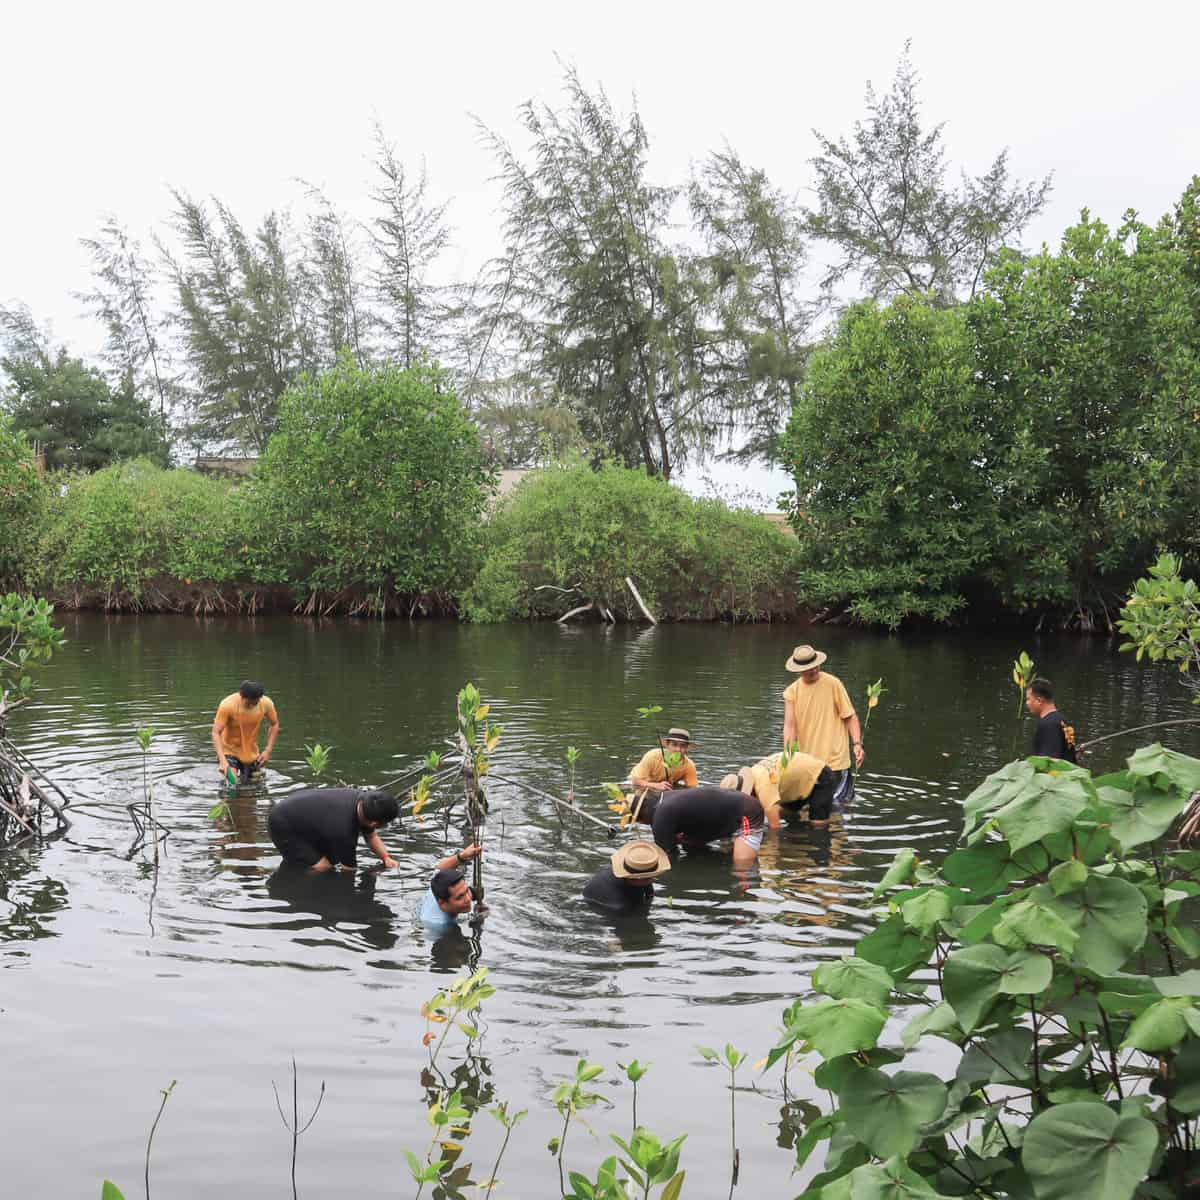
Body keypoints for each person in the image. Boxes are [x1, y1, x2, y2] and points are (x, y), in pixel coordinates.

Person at [782, 645, 862, 805]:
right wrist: (789, 758)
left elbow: (850, 716)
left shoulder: (833, 684)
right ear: (799, 670)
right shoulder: (792, 692)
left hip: (836, 761)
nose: (813, 670)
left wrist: (857, 743)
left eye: (815, 666)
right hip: (809, 764)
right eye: (808, 668)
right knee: (814, 810)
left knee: (837, 809)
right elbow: (790, 727)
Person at [268, 787, 401, 870]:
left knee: (332, 859)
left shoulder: (365, 802)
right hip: (282, 823)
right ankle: (295, 883)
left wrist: (386, 858)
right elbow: (348, 869)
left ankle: (300, 860)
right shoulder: (344, 830)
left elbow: (371, 836)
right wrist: (372, 873)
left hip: (307, 818)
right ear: (374, 823)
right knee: (323, 867)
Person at [633, 786, 766, 868]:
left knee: (742, 868)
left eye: (639, 821)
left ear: (641, 817)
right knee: (687, 842)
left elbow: (667, 857)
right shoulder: (666, 799)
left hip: (747, 814)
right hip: (729, 814)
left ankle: (744, 894)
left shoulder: (661, 815)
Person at [721, 748, 837, 827]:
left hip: (820, 776)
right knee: (788, 814)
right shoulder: (755, 772)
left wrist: (772, 846)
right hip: (798, 782)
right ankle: (803, 821)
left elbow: (775, 828)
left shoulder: (763, 786)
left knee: (818, 825)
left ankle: (835, 822)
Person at [212, 680, 280, 783]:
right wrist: (223, 761)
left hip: (251, 753)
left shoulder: (266, 703)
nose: (251, 706)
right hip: (229, 750)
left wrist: (267, 750)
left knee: (253, 786)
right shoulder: (227, 705)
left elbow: (274, 724)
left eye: (255, 703)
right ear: (241, 696)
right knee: (232, 784)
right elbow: (216, 732)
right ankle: (228, 796)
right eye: (248, 703)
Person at [582, 840, 671, 912]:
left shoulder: (636, 870)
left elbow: (649, 893)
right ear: (639, 878)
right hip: (609, 909)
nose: (653, 878)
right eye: (650, 877)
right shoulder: (620, 905)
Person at [420, 843, 484, 933]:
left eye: (466, 891)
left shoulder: (437, 883)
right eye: (460, 897)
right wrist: (477, 921)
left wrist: (462, 856)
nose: (468, 899)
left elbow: (439, 869)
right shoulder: (440, 927)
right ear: (443, 904)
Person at [1025, 678, 1078, 763]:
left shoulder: (1048, 724)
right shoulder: (1063, 720)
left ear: (1039, 700)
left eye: (1028, 699)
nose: (1027, 703)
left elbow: (1049, 762)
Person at [629, 728, 699, 792]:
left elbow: (693, 788)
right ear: (667, 745)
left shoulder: (689, 765)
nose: (678, 749)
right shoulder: (652, 756)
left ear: (686, 748)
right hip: (643, 785)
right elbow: (635, 780)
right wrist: (656, 785)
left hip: (667, 788)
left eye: (682, 746)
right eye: (674, 745)